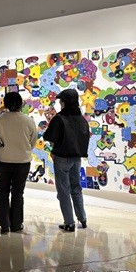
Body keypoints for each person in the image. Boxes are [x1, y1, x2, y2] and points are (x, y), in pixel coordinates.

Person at [43, 88, 90, 232]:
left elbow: (48, 136)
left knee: (63, 190)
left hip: (62, 158)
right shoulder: (82, 119)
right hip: (77, 158)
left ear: (64, 102)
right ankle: (82, 218)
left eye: (61, 101)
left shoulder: (59, 118)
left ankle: (69, 222)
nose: (60, 104)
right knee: (76, 188)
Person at [0, 92, 37, 234]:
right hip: (22, 162)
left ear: (5, 104)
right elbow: (32, 142)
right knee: (18, 193)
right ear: (21, 104)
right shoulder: (28, 120)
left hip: (3, 161)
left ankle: (4, 224)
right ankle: (16, 224)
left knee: (3, 192)